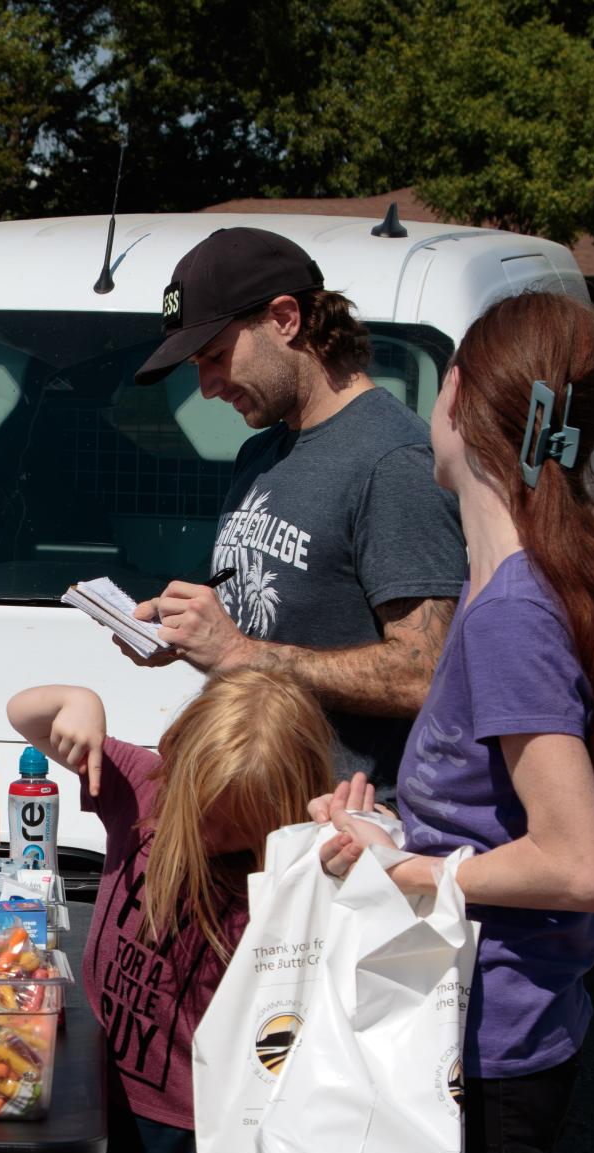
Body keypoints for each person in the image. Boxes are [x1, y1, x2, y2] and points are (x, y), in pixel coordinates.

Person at [319, 292, 594, 1153]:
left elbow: (581, 866)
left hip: (490, 1050)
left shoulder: (513, 613)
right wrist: (387, 822)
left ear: (459, 404)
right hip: (493, 1034)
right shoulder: (517, 587)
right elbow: (498, 812)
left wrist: (413, 873)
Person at [7, 670, 340, 1153]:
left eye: (240, 826)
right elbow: (25, 714)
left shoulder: (297, 867)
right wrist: (81, 699)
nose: (215, 836)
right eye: (208, 812)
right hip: (117, 1108)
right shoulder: (141, 786)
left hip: (220, 1135)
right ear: (177, 758)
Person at [126, 227, 466, 799]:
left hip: (343, 841)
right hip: (253, 818)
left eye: (214, 355)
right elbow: (269, 622)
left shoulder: (394, 461)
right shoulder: (261, 453)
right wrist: (191, 630)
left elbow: (427, 672)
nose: (207, 386)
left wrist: (239, 653)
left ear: (285, 318)